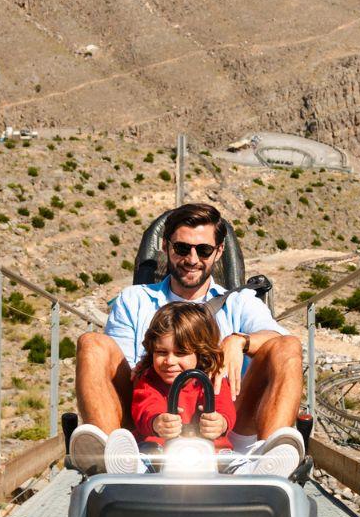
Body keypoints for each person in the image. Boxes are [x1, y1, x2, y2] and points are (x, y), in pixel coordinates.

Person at [71, 202, 305, 476]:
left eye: (203, 250)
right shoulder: (134, 299)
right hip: (148, 427)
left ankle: (264, 461)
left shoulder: (240, 302)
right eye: (182, 248)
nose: (192, 259)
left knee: (289, 346)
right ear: (165, 247)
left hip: (226, 422)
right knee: (90, 343)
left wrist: (238, 341)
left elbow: (279, 340)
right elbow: (122, 369)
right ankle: (116, 458)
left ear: (218, 252)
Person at [102, 301, 239, 473]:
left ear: (200, 353)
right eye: (161, 352)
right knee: (147, 452)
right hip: (161, 453)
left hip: (211, 452)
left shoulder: (211, 380)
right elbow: (145, 407)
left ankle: (246, 469)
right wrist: (157, 421)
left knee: (228, 457)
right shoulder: (149, 380)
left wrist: (221, 422)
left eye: (181, 353)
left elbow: (223, 405)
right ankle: (132, 468)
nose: (169, 361)